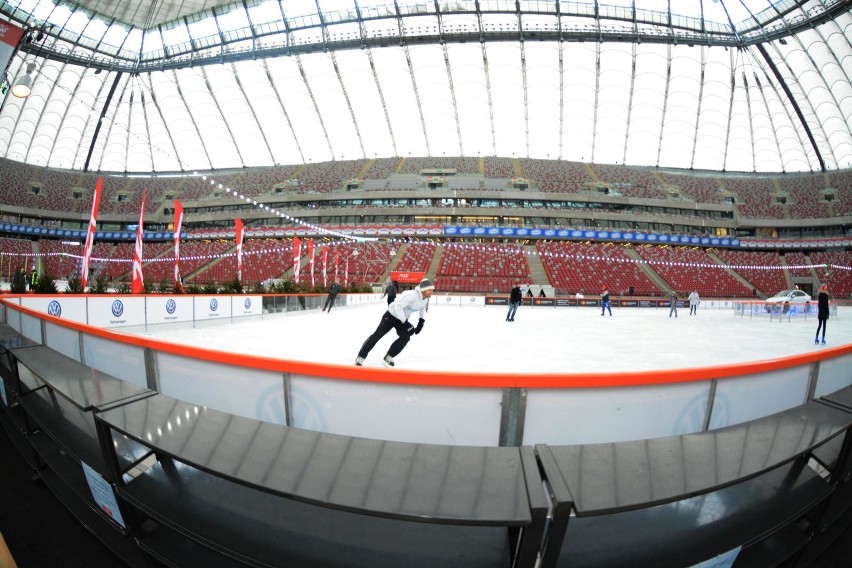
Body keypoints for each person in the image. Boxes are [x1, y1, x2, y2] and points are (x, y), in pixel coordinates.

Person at [355, 278, 435, 367]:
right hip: (391, 316)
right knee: (377, 336)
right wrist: (405, 323)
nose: (432, 292)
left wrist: (421, 321)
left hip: (401, 319)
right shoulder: (411, 295)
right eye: (430, 290)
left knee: (405, 337)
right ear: (423, 289)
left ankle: (388, 357)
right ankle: (360, 357)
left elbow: (422, 308)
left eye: (432, 290)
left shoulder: (426, 298)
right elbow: (398, 307)